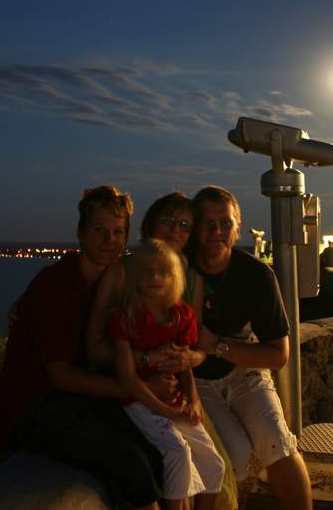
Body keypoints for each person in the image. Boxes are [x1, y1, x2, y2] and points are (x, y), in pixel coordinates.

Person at [0, 185, 164, 510]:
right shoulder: (56, 284)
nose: (109, 240)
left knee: (155, 448)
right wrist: (139, 389)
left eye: (118, 232)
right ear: (80, 234)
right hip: (34, 409)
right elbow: (61, 376)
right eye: (99, 230)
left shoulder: (115, 281)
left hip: (79, 400)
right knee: (128, 461)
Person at [86, 191, 238, 510]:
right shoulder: (125, 273)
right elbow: (96, 347)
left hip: (175, 389)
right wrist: (149, 362)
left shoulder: (189, 280)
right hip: (132, 393)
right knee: (179, 457)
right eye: (168, 220)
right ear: (150, 223)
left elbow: (193, 350)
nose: (174, 230)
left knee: (215, 465)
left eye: (184, 225)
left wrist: (189, 361)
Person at [189, 186, 313, 510]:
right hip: (196, 380)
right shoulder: (180, 269)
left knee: (276, 442)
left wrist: (217, 346)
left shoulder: (256, 276)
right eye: (207, 223)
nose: (216, 231)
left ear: (238, 228)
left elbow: (279, 354)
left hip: (244, 372)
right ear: (195, 227)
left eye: (225, 223)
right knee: (232, 454)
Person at [110, 239, 225, 510]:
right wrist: (167, 411)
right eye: (147, 272)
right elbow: (127, 377)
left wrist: (193, 401)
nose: (155, 278)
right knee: (177, 452)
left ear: (175, 277)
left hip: (175, 399)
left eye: (163, 272)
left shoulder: (181, 315)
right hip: (140, 402)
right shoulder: (127, 317)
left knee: (215, 464)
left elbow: (183, 366)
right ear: (136, 276)